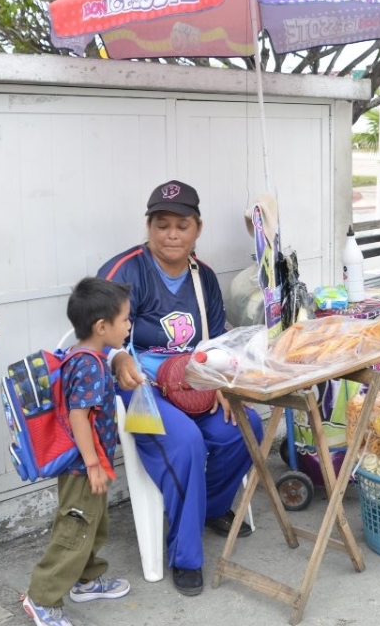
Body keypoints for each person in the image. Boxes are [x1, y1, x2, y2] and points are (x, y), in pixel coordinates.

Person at [97, 180, 263, 597]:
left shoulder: (202, 276)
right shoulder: (124, 272)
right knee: (186, 442)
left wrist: (222, 379)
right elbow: (95, 336)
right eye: (162, 224)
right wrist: (118, 358)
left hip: (193, 383)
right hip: (138, 391)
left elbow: (214, 342)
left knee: (247, 428)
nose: (172, 234)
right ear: (149, 226)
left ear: (197, 229)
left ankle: (206, 508)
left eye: (182, 225)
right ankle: (186, 557)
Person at [22, 277, 133, 626]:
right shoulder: (90, 365)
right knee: (75, 529)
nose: (129, 325)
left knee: (93, 522)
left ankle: (86, 580)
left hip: (89, 463)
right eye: (125, 320)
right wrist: (92, 464)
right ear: (102, 326)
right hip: (82, 466)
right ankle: (42, 598)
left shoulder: (88, 356)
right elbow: (79, 417)